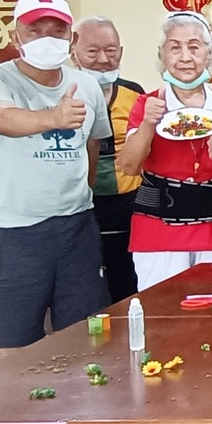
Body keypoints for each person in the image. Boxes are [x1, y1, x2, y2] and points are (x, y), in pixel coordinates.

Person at [0, 0, 111, 348]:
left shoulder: (87, 85)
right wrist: (54, 118)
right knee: (14, 344)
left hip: (77, 229)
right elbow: (0, 118)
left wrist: (79, 194)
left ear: (71, 38)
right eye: (35, 30)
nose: (47, 38)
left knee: (85, 338)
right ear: (15, 37)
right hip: (14, 232)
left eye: (57, 30)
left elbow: (93, 145)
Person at [115, 12, 212, 291]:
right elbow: (128, 167)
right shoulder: (147, 104)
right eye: (175, 47)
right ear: (162, 55)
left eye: (194, 47)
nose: (185, 57)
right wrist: (148, 123)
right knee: (161, 313)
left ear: (209, 54)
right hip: (158, 234)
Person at [75, 16, 146, 300]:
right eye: (92, 52)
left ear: (121, 52)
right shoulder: (63, 93)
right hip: (81, 202)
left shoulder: (134, 93)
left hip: (130, 200)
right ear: (74, 53)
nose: (103, 60)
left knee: (128, 281)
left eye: (111, 51)